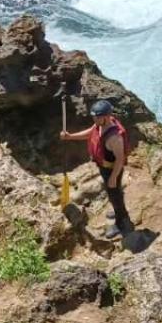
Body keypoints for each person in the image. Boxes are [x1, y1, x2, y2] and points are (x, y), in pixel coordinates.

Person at [60, 100, 132, 240]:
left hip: (111, 171)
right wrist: (70, 137)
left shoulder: (114, 137)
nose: (94, 119)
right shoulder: (101, 124)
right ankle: (120, 211)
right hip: (104, 167)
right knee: (113, 194)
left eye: (97, 117)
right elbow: (91, 133)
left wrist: (113, 177)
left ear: (106, 116)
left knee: (114, 194)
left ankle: (121, 222)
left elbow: (120, 159)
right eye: (94, 116)